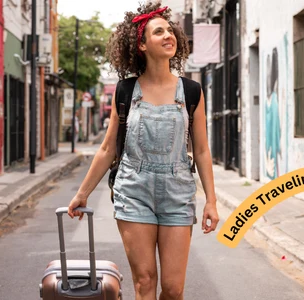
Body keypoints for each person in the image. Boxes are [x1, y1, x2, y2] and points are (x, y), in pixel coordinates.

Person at [67, 2, 219, 300]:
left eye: (170, 30)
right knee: (144, 282)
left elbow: (201, 150)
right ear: (141, 44)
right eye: (158, 31)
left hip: (177, 192)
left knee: (173, 290)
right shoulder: (125, 91)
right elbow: (108, 147)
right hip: (133, 190)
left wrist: (211, 201)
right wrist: (83, 193)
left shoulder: (191, 91)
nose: (168, 35)